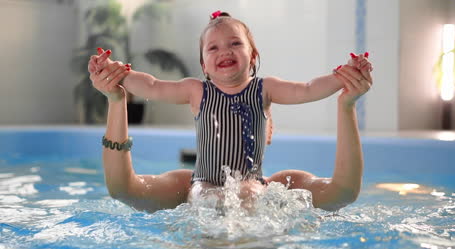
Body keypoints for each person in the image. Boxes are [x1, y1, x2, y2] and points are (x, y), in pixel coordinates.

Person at [88, 11, 373, 213]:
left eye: (235, 43)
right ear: (204, 66)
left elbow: (308, 88)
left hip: (252, 182)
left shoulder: (265, 89)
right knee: (203, 196)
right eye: (213, 47)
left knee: (249, 192)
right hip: (203, 181)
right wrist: (116, 74)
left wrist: (342, 79)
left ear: (253, 56)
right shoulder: (196, 91)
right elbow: (152, 85)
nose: (224, 50)